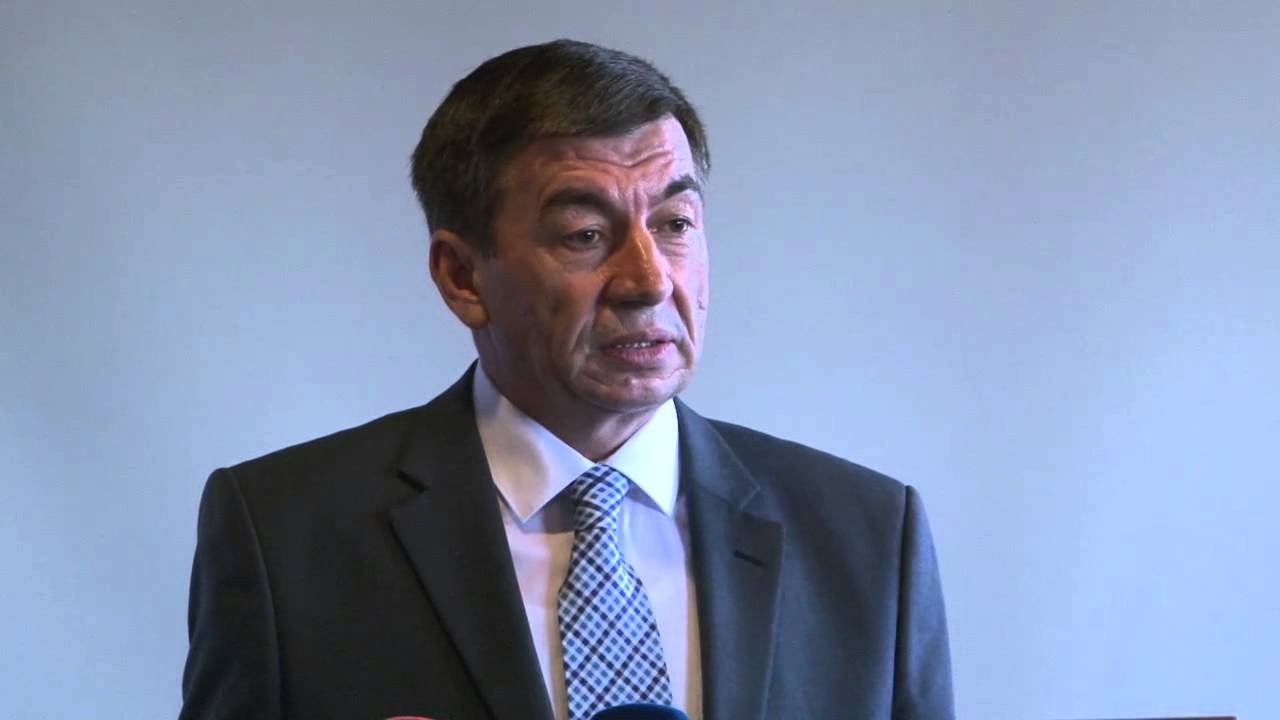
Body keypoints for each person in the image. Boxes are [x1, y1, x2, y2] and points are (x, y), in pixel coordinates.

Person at [180, 39, 954, 720]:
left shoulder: (868, 537)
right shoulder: (286, 534)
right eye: (585, 234)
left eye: (674, 225)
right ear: (462, 276)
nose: (649, 281)